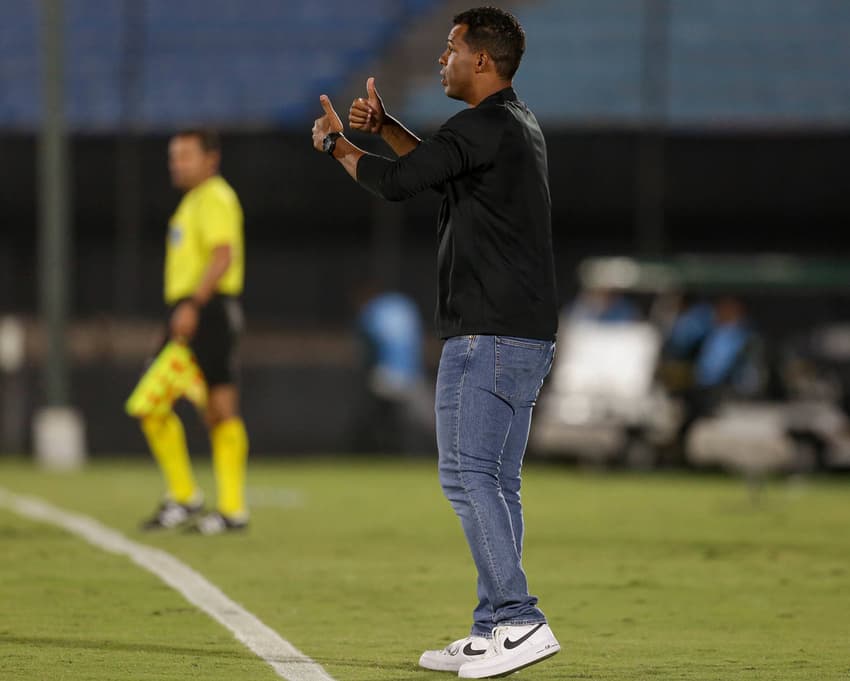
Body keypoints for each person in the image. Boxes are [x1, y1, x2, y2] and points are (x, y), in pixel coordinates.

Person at [311, 7, 560, 678]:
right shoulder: (512, 126)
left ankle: (518, 616)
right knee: (496, 481)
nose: (440, 60)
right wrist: (388, 125)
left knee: (467, 476)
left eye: (450, 50)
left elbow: (397, 184)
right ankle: (494, 624)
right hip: (521, 332)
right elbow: (432, 167)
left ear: (483, 60)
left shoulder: (481, 127)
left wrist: (338, 143)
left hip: (490, 333)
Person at [126, 129, 249, 536]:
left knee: (213, 409)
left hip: (206, 310)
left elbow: (223, 254)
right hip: (193, 310)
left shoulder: (214, 196)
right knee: (174, 407)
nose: (176, 163)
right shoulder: (194, 201)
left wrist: (193, 305)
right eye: (173, 156)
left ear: (210, 159)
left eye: (185, 155)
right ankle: (193, 498)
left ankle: (222, 507)